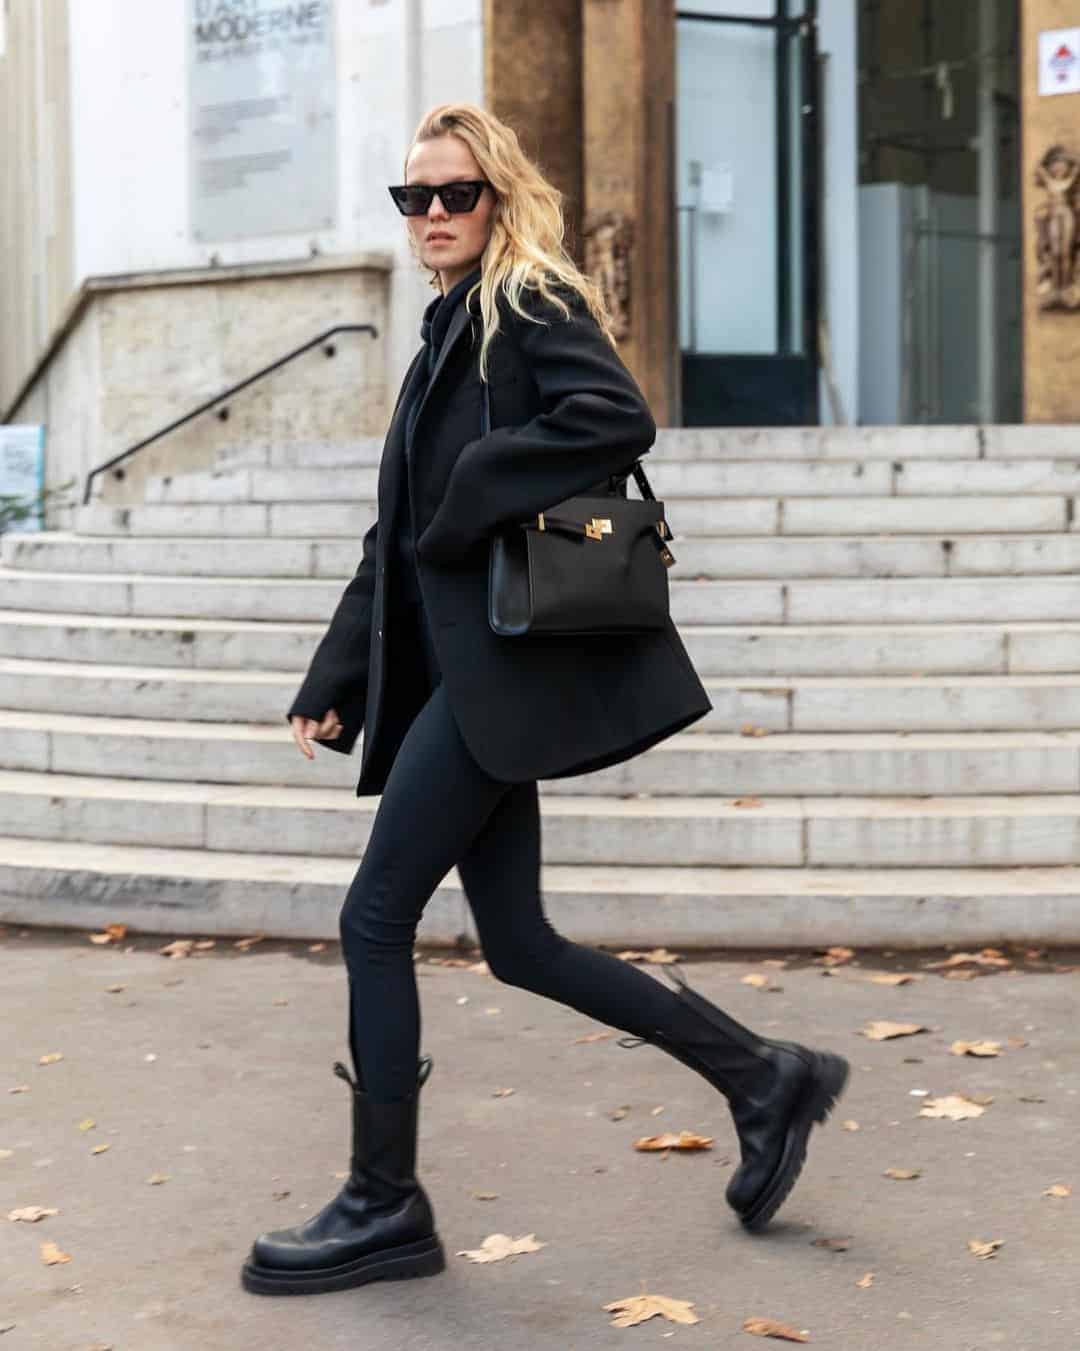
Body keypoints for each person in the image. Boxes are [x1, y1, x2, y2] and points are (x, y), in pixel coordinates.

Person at [240, 103, 850, 1298]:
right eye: (411, 198)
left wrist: (475, 482)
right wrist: (337, 674)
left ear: (500, 196)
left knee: (374, 917)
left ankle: (383, 1202)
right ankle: (764, 1075)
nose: (430, 217)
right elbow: (397, 532)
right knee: (517, 942)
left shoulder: (528, 305)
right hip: (464, 674)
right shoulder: (442, 336)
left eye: (452, 194)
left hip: (498, 670)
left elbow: (617, 418)